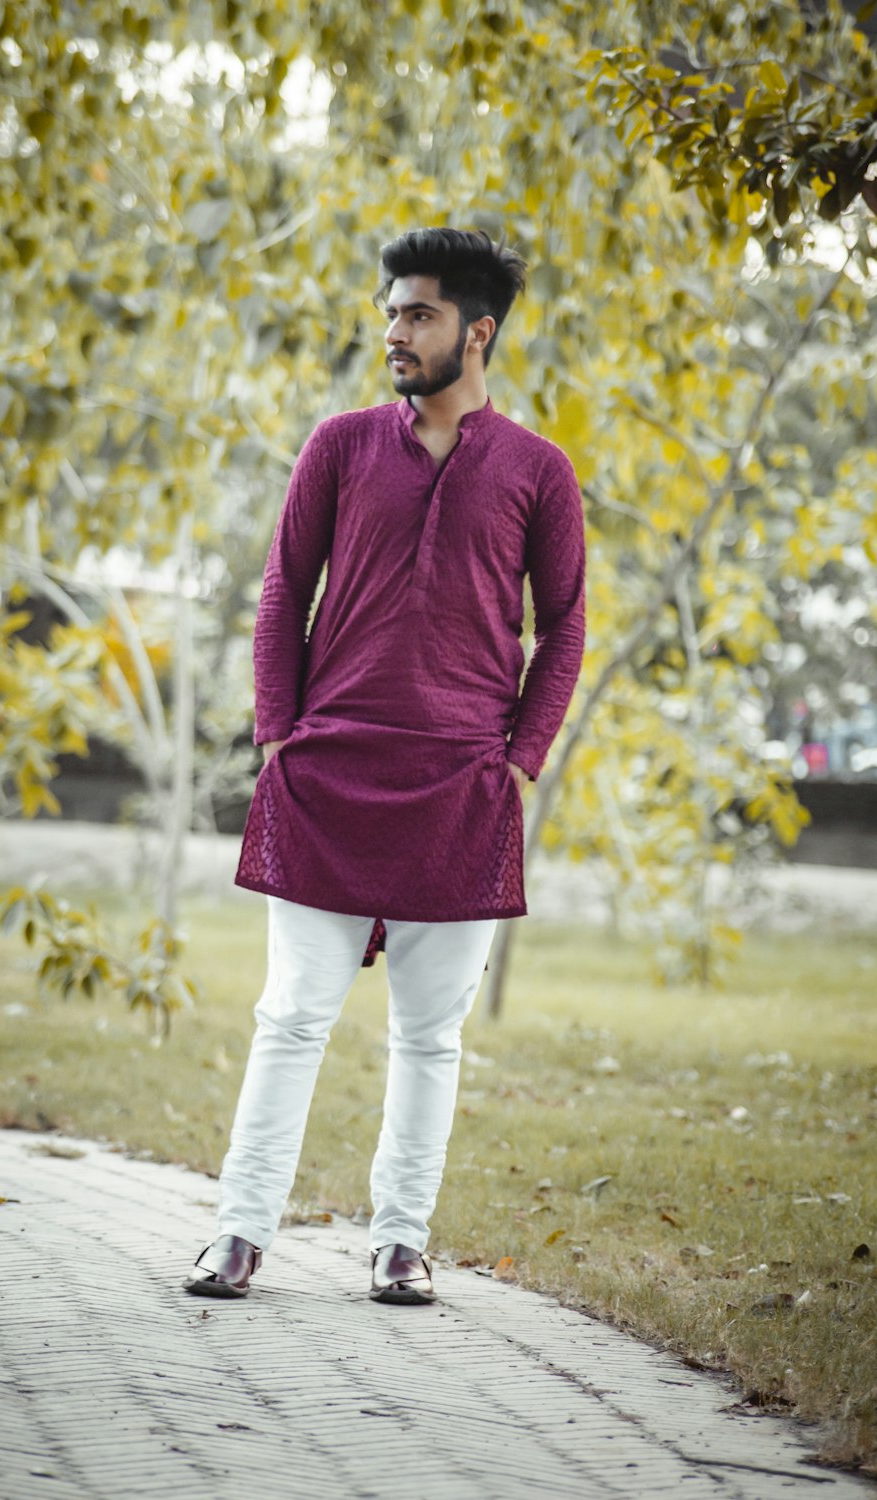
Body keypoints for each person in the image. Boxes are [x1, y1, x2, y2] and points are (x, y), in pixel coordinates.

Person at [184, 227, 586, 1305]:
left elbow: (564, 630)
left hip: (461, 789)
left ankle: (400, 1241)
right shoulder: (339, 446)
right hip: (327, 778)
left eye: (417, 314)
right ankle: (238, 1233)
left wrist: (519, 763)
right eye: (391, 312)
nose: (394, 331)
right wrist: (278, 735)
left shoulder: (538, 473)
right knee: (291, 1017)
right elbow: (283, 595)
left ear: (478, 330)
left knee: (429, 1038)